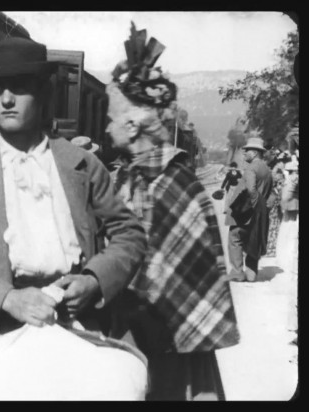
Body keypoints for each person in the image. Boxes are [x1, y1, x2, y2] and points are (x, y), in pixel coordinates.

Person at [0, 37, 147, 400]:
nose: (7, 99)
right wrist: (7, 299)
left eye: (19, 86)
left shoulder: (82, 166)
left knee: (117, 385)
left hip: (79, 325)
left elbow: (129, 234)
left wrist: (93, 281)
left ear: (43, 92)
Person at [105, 22, 239, 400]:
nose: (107, 127)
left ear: (132, 125)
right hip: (148, 335)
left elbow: (156, 276)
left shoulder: (166, 182)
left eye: (111, 118)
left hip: (165, 344)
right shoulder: (138, 176)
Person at [225, 135, 273, 282]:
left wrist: (252, 207)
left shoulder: (251, 168)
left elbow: (251, 190)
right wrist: (261, 209)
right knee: (253, 240)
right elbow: (269, 192)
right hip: (260, 212)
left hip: (246, 211)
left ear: (255, 153)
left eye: (247, 150)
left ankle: (237, 272)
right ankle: (251, 274)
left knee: (235, 238)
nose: (244, 152)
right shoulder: (267, 169)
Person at [265, 151, 290, 257]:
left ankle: (273, 248)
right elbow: (277, 187)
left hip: (277, 201)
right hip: (275, 201)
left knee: (276, 223)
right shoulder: (277, 172)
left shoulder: (279, 171)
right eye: (283, 161)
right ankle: (271, 249)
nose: (283, 163)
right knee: (274, 224)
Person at [275, 159, 299, 274]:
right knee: (290, 229)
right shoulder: (293, 178)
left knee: (288, 229)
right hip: (292, 206)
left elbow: (286, 194)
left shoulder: (290, 179)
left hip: (289, 206)